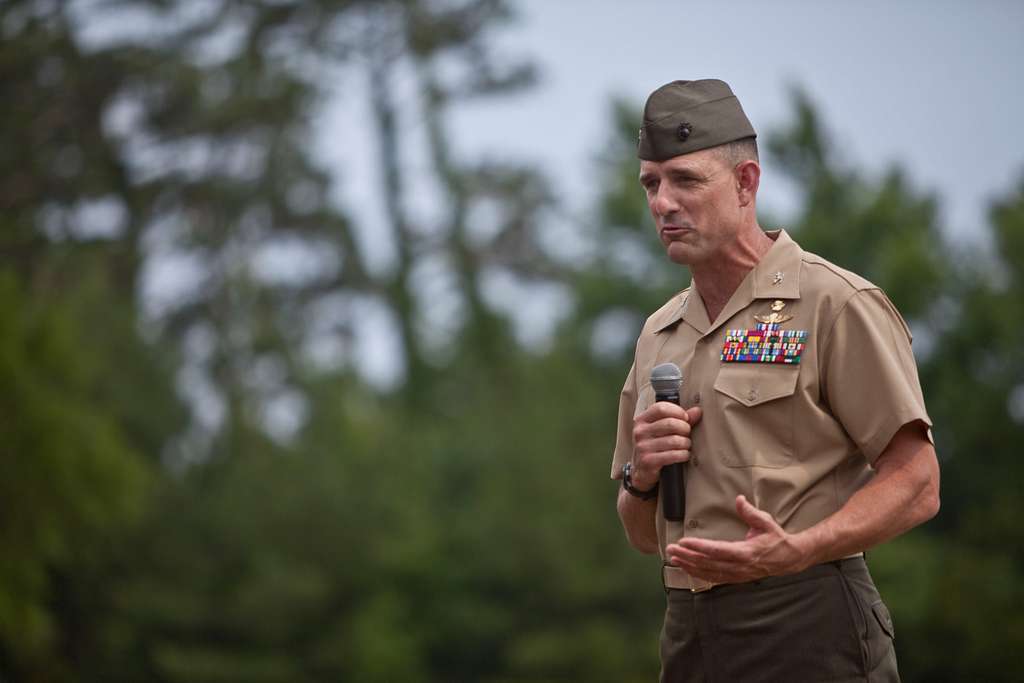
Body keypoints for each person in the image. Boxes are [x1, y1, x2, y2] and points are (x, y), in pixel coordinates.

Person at [611, 79, 940, 682]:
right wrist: (643, 477)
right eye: (651, 184)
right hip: (688, 629)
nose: (663, 202)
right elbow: (639, 535)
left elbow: (918, 482)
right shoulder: (658, 335)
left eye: (686, 180)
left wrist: (804, 546)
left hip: (807, 617)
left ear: (746, 184)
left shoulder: (833, 303)